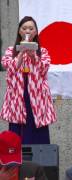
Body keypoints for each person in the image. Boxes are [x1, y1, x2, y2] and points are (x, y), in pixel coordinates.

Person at [0, 16, 56, 144]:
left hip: (37, 96)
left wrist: (33, 56)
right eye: (24, 28)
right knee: (17, 131)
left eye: (31, 28)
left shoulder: (43, 51)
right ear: (19, 31)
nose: (27, 31)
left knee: (36, 129)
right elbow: (9, 68)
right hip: (17, 95)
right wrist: (20, 53)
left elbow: (43, 70)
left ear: (36, 32)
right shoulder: (10, 51)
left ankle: (40, 162)